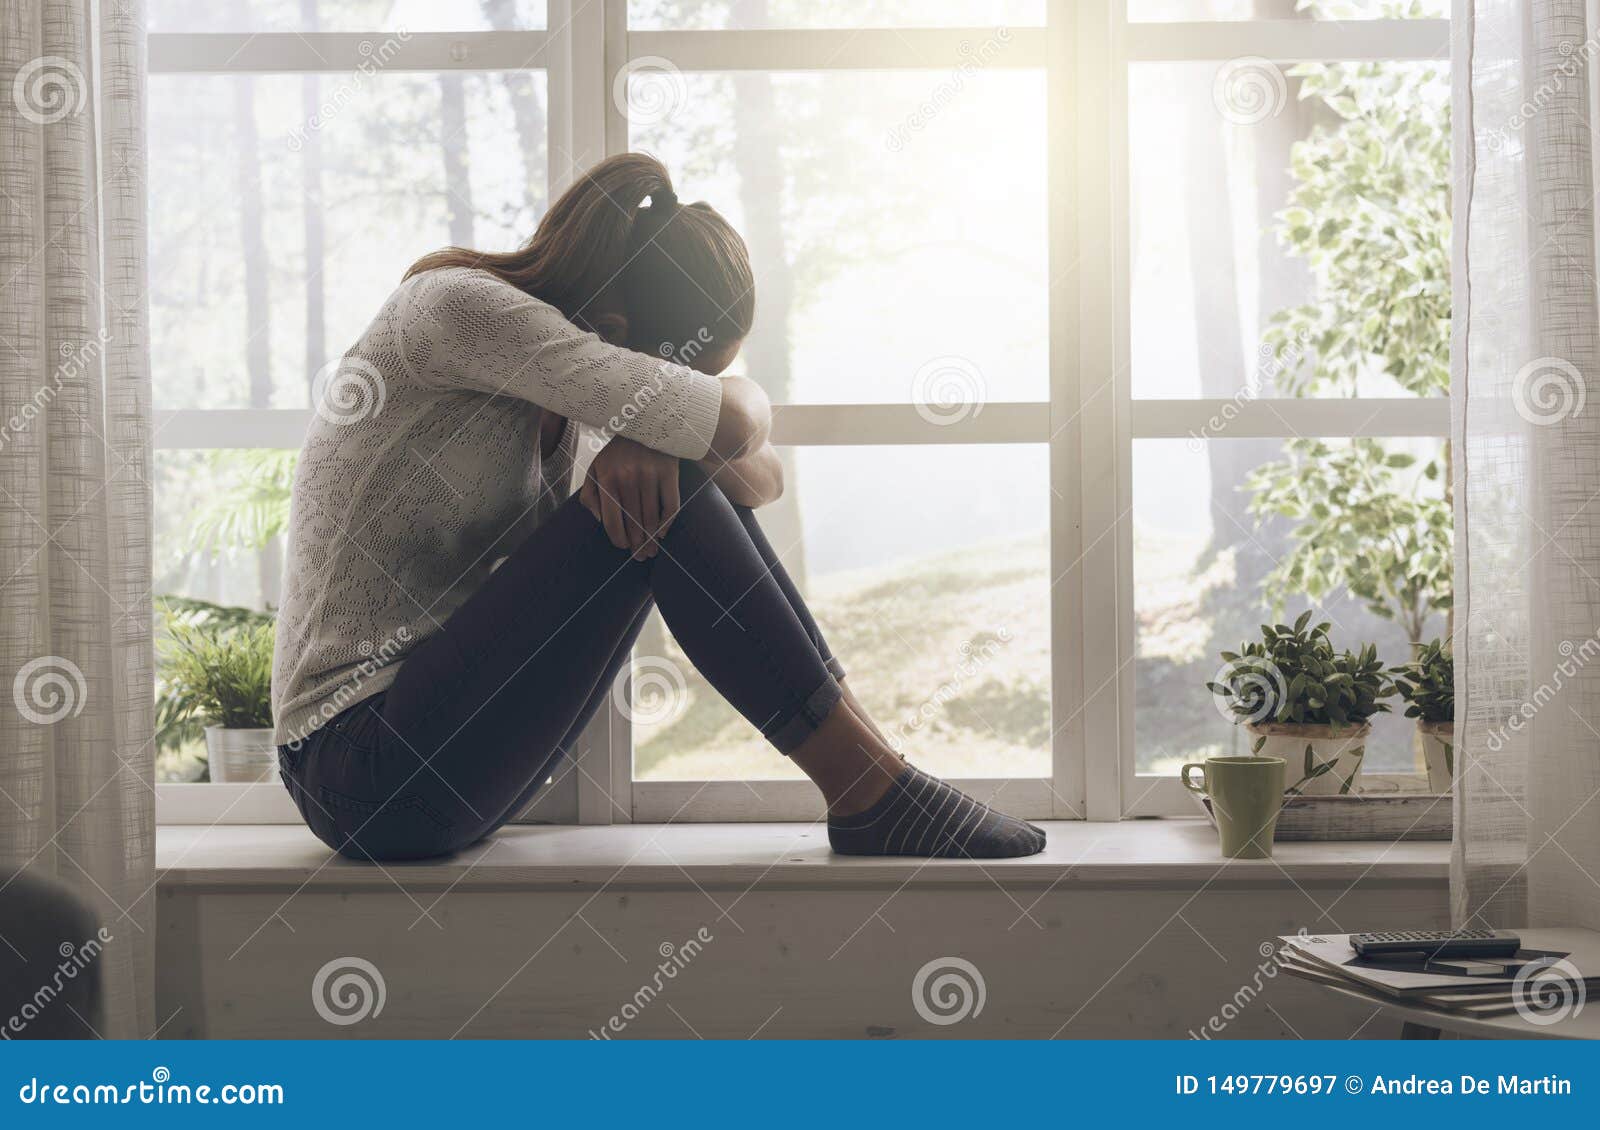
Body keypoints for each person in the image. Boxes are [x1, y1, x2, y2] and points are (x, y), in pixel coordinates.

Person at [271, 153, 1045, 863]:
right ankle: (870, 789)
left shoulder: (569, 383)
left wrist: (678, 436)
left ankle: (875, 776)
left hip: (444, 766)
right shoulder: (455, 311)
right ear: (617, 336)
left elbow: (759, 473)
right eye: (690, 378)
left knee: (678, 481)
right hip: (355, 767)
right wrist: (693, 432)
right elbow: (736, 426)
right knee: (674, 485)